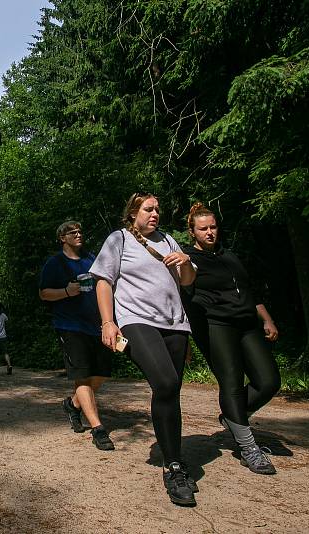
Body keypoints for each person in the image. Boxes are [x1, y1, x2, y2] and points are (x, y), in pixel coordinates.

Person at [90, 192, 197, 507]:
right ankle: (173, 466)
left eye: (158, 209)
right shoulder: (119, 239)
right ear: (133, 212)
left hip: (175, 324)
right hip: (136, 321)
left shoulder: (169, 241)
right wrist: (108, 323)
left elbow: (187, 281)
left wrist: (187, 262)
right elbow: (103, 282)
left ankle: (174, 462)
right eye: (148, 209)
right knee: (164, 382)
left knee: (171, 390)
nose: (155, 214)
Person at [182, 201, 281, 475]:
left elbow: (249, 291)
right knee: (232, 384)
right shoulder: (189, 260)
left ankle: (233, 415)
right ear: (193, 232)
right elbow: (182, 299)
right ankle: (249, 447)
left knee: (269, 380)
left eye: (213, 227)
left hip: (248, 323)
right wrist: (185, 339)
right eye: (203, 229)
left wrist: (267, 319)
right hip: (216, 325)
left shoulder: (230, 256)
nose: (210, 232)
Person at [39, 220, 114, 450]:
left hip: (97, 325)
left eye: (80, 231)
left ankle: (73, 404)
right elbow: (43, 294)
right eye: (72, 232)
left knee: (101, 375)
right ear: (63, 238)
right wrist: (66, 291)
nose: (78, 234)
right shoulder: (55, 263)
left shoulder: (91, 260)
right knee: (82, 376)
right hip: (70, 326)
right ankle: (98, 429)